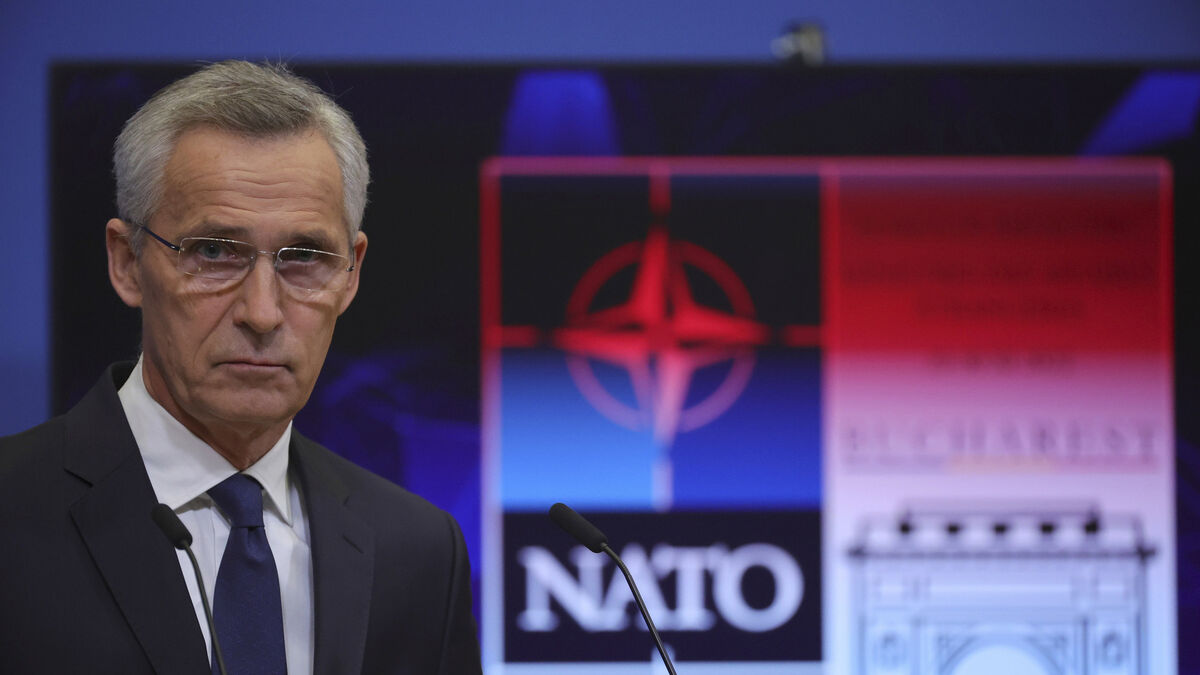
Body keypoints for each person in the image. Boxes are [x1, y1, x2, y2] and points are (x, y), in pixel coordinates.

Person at [0, 61, 482, 675]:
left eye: (304, 257)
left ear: (352, 274)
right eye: (213, 252)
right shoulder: (12, 512)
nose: (262, 312)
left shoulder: (418, 552)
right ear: (127, 263)